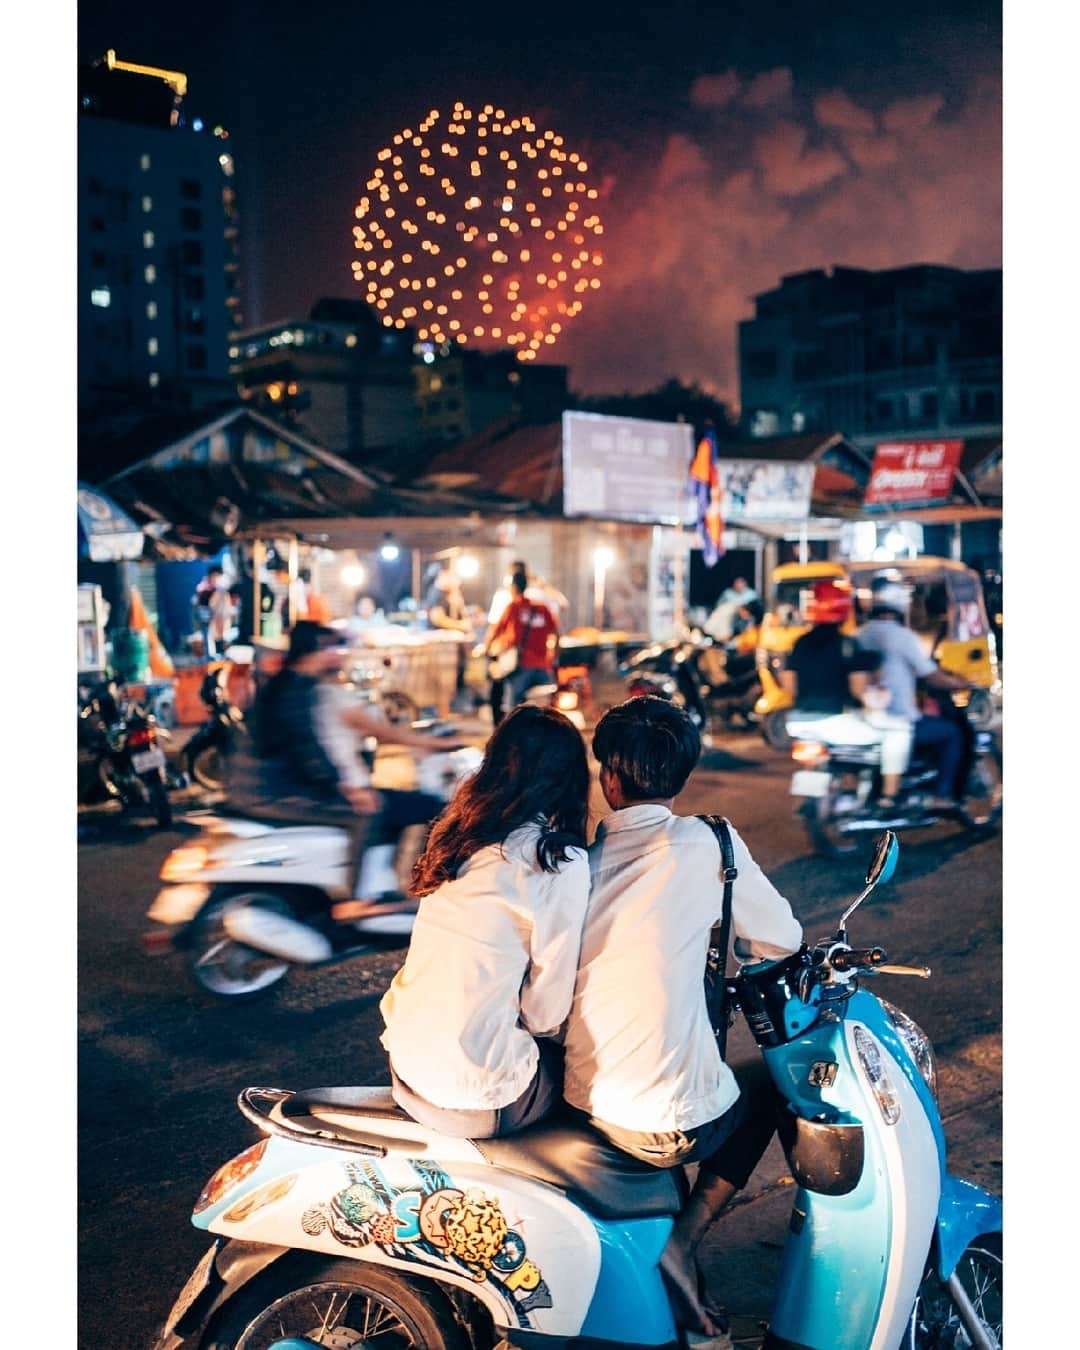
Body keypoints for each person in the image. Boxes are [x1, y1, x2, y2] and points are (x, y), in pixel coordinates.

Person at [561, 696, 803, 1343]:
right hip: (672, 1125)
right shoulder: (707, 843)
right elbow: (780, 939)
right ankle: (684, 1239)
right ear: (681, 777)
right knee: (771, 1087)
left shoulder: (576, 867)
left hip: (585, 1106)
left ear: (609, 778)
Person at [380, 705, 591, 1138]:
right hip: (480, 1096)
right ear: (568, 779)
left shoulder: (456, 839)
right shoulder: (557, 861)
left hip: (405, 1070)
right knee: (587, 1072)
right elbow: (545, 1014)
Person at [229, 622, 452, 900]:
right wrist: (343, 787)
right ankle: (353, 898)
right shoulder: (296, 690)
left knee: (393, 806)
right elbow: (307, 748)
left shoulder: (294, 683)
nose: (340, 654)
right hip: (273, 792)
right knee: (368, 812)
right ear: (315, 652)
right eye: (332, 648)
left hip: (267, 786)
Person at [857, 577, 971, 810]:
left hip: (865, 717)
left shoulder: (860, 634)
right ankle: (942, 794)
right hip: (897, 716)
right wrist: (958, 682)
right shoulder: (902, 636)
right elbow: (931, 675)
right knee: (952, 733)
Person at [486, 569, 560, 714]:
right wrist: (553, 658)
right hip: (543, 668)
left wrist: (488, 651)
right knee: (547, 713)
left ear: (513, 587)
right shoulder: (542, 608)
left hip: (520, 668)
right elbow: (557, 634)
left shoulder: (513, 607)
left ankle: (515, 736)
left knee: (514, 713)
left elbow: (495, 631)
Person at [192, 563, 225, 658]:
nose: (218, 578)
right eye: (216, 576)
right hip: (206, 620)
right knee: (208, 643)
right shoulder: (204, 587)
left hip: (216, 622)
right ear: (212, 575)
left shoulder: (218, 588)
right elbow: (197, 608)